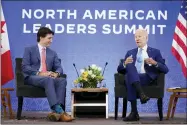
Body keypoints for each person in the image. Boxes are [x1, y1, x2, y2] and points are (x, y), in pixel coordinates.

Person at [22, 27, 73, 122]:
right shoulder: (29, 50)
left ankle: (57, 112)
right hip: (32, 77)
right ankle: (60, 112)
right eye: (49, 38)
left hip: (47, 78)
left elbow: (59, 67)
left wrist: (57, 73)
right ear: (41, 37)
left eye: (52, 38)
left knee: (61, 80)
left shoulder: (52, 53)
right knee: (48, 79)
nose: (51, 41)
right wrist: (39, 73)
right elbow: (25, 67)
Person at [117, 29, 169, 121]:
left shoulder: (155, 52)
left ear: (146, 38)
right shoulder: (130, 52)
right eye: (135, 37)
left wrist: (155, 63)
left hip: (146, 77)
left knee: (129, 77)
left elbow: (165, 69)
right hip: (133, 77)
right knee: (129, 68)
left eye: (139, 36)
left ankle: (134, 113)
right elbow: (119, 69)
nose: (137, 38)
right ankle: (142, 94)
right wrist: (124, 63)